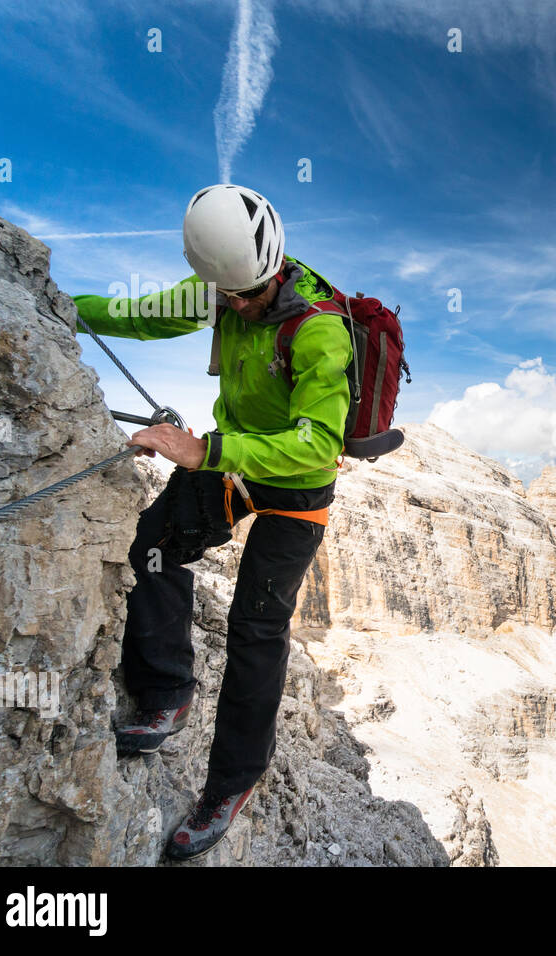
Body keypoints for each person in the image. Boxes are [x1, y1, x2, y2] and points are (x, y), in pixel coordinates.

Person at [71, 184, 353, 861]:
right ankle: (167, 690)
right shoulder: (222, 288)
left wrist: (205, 451)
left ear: (272, 272)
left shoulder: (317, 329)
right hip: (235, 460)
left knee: (257, 629)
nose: (235, 308)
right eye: (225, 298)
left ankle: (229, 786)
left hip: (296, 484)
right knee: (151, 545)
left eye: (246, 298)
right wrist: (60, 304)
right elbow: (140, 314)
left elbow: (319, 443)